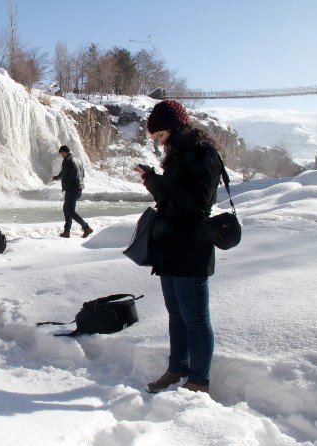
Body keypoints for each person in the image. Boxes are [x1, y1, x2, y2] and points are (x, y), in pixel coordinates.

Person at [136, 100, 222, 393]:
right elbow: (172, 196)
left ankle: (199, 380)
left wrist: (158, 185)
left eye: (161, 136)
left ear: (174, 128)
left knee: (195, 319)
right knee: (176, 314)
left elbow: (196, 202)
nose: (160, 143)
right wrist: (153, 181)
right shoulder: (178, 155)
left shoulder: (203, 153)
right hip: (170, 247)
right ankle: (177, 368)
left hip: (191, 246)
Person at [52, 145, 93, 238]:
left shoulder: (67, 160)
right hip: (78, 188)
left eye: (61, 154)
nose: (61, 156)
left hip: (72, 189)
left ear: (63, 152)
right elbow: (83, 174)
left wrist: (56, 178)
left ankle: (86, 227)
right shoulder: (78, 159)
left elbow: (63, 173)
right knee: (66, 208)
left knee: (70, 210)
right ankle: (66, 231)